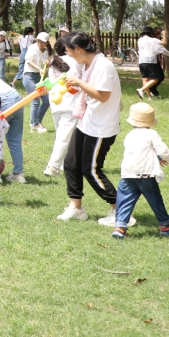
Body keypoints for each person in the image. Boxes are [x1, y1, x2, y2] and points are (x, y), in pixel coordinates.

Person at [56, 32, 127, 225]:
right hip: (87, 121)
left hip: (102, 127)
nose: (68, 55)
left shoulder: (104, 66)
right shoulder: (83, 63)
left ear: (79, 49)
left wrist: (79, 83)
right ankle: (76, 208)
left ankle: (121, 211)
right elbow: (72, 80)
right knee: (71, 163)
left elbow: (103, 96)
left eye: (69, 51)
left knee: (91, 169)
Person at [112, 102, 169, 238]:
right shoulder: (151, 134)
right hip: (146, 175)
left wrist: (156, 158)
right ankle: (165, 225)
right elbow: (163, 151)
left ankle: (119, 227)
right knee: (155, 200)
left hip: (128, 174)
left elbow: (139, 153)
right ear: (150, 122)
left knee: (124, 200)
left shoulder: (129, 135)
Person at [43, 39, 78, 177]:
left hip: (56, 102)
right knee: (63, 137)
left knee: (61, 135)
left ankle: (63, 163)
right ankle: (53, 167)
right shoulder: (75, 61)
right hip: (70, 102)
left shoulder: (53, 62)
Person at [22, 31, 52, 132]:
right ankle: (34, 125)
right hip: (29, 76)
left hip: (40, 78)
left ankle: (37, 122)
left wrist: (47, 63)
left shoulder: (46, 51)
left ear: (47, 42)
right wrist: (39, 68)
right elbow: (28, 61)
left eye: (42, 41)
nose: (40, 43)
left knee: (47, 100)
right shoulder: (32, 48)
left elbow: (47, 63)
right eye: (38, 41)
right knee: (35, 100)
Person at [137, 26, 169, 99]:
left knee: (145, 79)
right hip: (150, 61)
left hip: (141, 61)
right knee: (155, 79)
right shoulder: (153, 40)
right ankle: (141, 90)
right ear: (151, 33)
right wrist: (164, 34)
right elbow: (164, 42)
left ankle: (149, 97)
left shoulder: (139, 40)